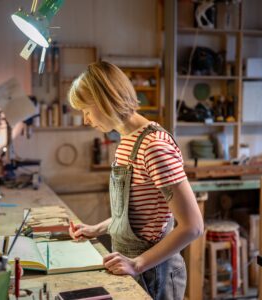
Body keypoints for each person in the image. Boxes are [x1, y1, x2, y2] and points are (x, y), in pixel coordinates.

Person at [67, 61, 204, 300]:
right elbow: (138, 214)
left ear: (105, 101)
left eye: (86, 110)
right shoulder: (128, 140)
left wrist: (137, 264)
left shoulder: (154, 147)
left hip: (155, 274)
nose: (86, 120)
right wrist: (96, 229)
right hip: (136, 268)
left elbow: (193, 226)